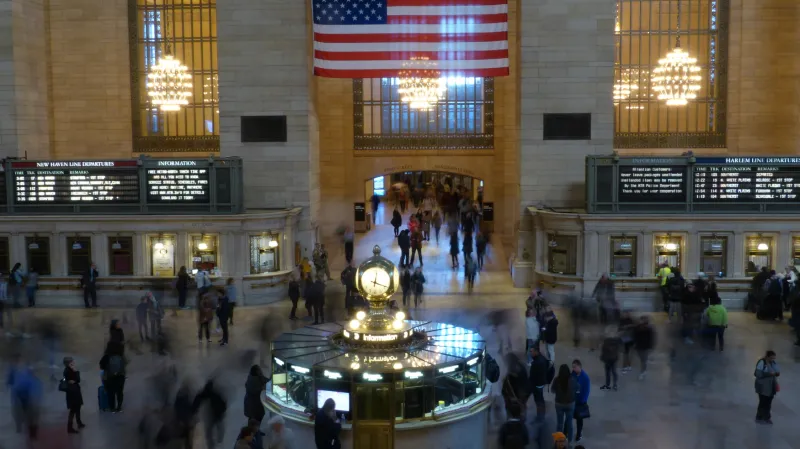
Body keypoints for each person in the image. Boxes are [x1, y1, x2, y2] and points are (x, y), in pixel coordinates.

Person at [550, 364, 576, 442]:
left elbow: (552, 390)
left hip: (559, 404)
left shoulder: (556, 380)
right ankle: (570, 442)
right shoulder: (572, 379)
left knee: (560, 424)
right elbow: (577, 388)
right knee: (569, 423)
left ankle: (559, 442)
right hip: (570, 403)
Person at [99, 341, 126, 413]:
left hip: (109, 377)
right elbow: (123, 366)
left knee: (111, 393)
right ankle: (119, 407)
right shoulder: (121, 356)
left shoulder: (106, 356)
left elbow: (101, 366)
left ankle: (112, 408)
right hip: (120, 377)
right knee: (119, 392)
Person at [754, 350, 780, 424]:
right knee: (763, 402)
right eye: (771, 358)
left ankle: (765, 417)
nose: (773, 360)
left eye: (774, 358)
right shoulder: (762, 362)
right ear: (767, 357)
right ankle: (760, 417)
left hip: (771, 386)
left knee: (768, 402)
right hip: (762, 386)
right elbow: (758, 374)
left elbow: (777, 371)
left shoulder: (773, 363)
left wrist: (776, 373)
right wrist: (769, 374)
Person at [62, 356, 85, 434]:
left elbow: (75, 380)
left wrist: (74, 378)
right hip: (73, 392)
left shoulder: (67, 370)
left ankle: (79, 423)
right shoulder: (69, 371)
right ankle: (70, 427)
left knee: (77, 407)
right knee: (74, 409)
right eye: (72, 362)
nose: (73, 362)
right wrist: (76, 372)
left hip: (73, 391)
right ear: (69, 363)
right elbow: (77, 379)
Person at [571, 360, 590, 442]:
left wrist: (582, 401)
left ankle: (579, 434)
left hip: (580, 402)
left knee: (579, 419)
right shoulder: (573, 374)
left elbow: (586, 391)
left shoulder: (585, 377)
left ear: (579, 366)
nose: (573, 368)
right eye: (573, 367)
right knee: (570, 417)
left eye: (575, 367)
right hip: (573, 400)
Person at [528, 345, 550, 418]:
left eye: (532, 351)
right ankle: (541, 414)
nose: (530, 353)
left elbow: (532, 376)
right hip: (541, 382)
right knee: (540, 399)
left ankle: (540, 416)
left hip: (537, 384)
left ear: (536, 352)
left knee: (538, 400)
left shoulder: (536, 363)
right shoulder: (542, 358)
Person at [633, 315, 655, 380]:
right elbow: (634, 336)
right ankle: (644, 370)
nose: (643, 321)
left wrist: (651, 346)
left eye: (644, 320)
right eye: (642, 320)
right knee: (642, 358)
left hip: (646, 346)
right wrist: (634, 343)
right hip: (639, 345)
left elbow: (652, 337)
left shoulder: (649, 328)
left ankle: (642, 372)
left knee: (643, 360)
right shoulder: (637, 327)